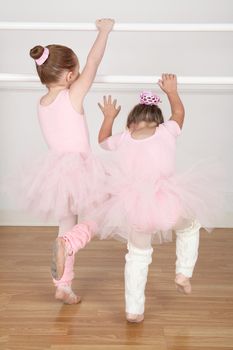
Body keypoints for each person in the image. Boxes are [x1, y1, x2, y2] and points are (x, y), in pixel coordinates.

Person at [52, 74, 222, 321]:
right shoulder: (166, 131)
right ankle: (183, 272)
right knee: (189, 227)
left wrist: (109, 117)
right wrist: (172, 91)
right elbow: (179, 114)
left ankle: (134, 310)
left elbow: (102, 141)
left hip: (134, 208)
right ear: (158, 122)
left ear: (130, 124)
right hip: (167, 203)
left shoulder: (123, 139)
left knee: (137, 256)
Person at [26, 18, 115, 304]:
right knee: (99, 216)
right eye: (76, 73)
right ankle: (68, 244)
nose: (79, 76)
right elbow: (94, 61)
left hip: (55, 172)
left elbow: (84, 65)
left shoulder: (42, 103)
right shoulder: (72, 95)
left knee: (66, 223)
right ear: (68, 76)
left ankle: (63, 285)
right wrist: (104, 31)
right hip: (80, 168)